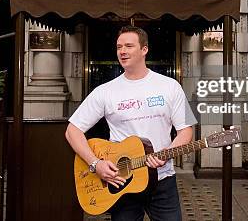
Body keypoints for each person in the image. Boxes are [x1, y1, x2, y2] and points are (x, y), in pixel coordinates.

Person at [65, 25, 197, 221]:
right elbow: (72, 131)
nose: (122, 51)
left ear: (144, 50)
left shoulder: (170, 87)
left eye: (128, 46)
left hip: (162, 182)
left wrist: (167, 153)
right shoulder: (105, 91)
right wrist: (95, 164)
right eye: (119, 47)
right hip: (122, 182)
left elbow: (186, 131)